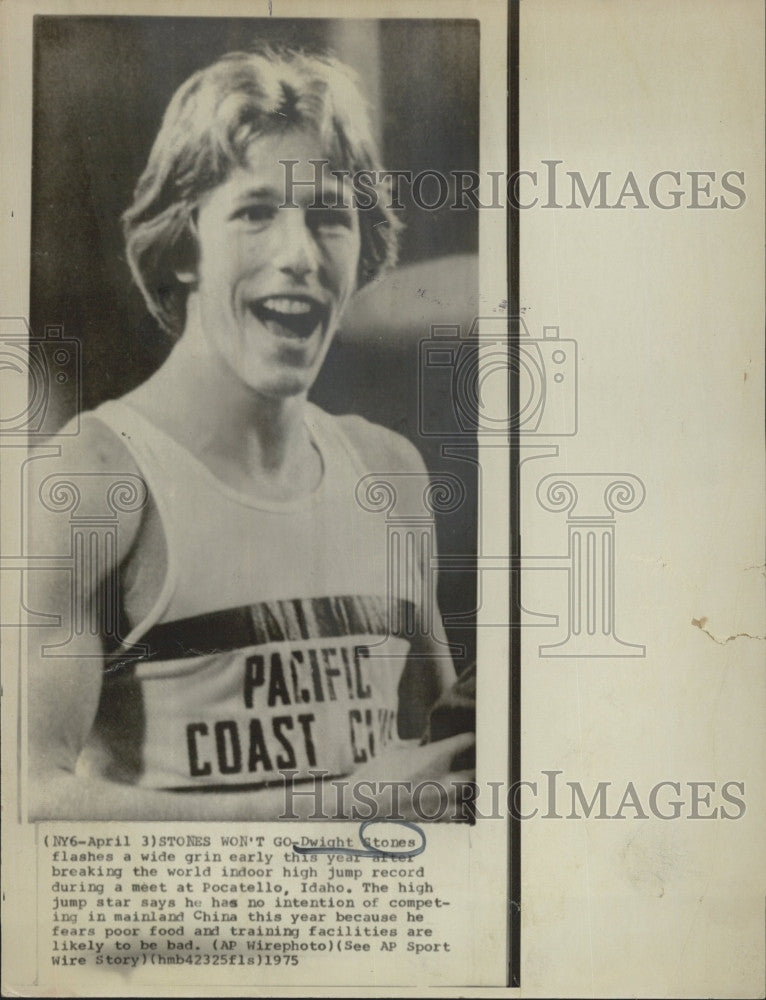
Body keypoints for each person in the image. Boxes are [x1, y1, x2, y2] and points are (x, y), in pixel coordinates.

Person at [27, 47, 474, 821]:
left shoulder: (388, 472)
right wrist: (326, 810)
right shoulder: (91, 477)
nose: (298, 255)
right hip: (179, 941)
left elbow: (426, 769)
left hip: (370, 935)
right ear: (184, 243)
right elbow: (27, 798)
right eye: (256, 212)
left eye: (330, 217)